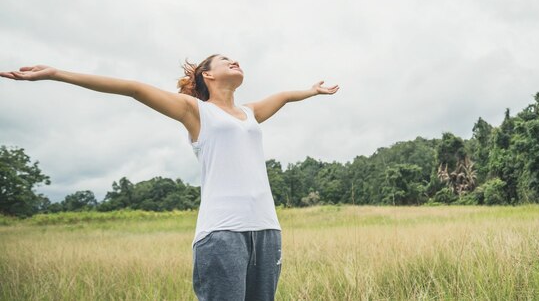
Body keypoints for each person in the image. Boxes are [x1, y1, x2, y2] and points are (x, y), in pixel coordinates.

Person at [0, 55, 339, 301]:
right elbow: (133, 88)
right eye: (225, 60)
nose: (235, 61)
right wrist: (56, 73)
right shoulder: (195, 111)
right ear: (207, 74)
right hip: (222, 233)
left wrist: (311, 91)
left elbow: (283, 96)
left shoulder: (250, 114)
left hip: (266, 230)